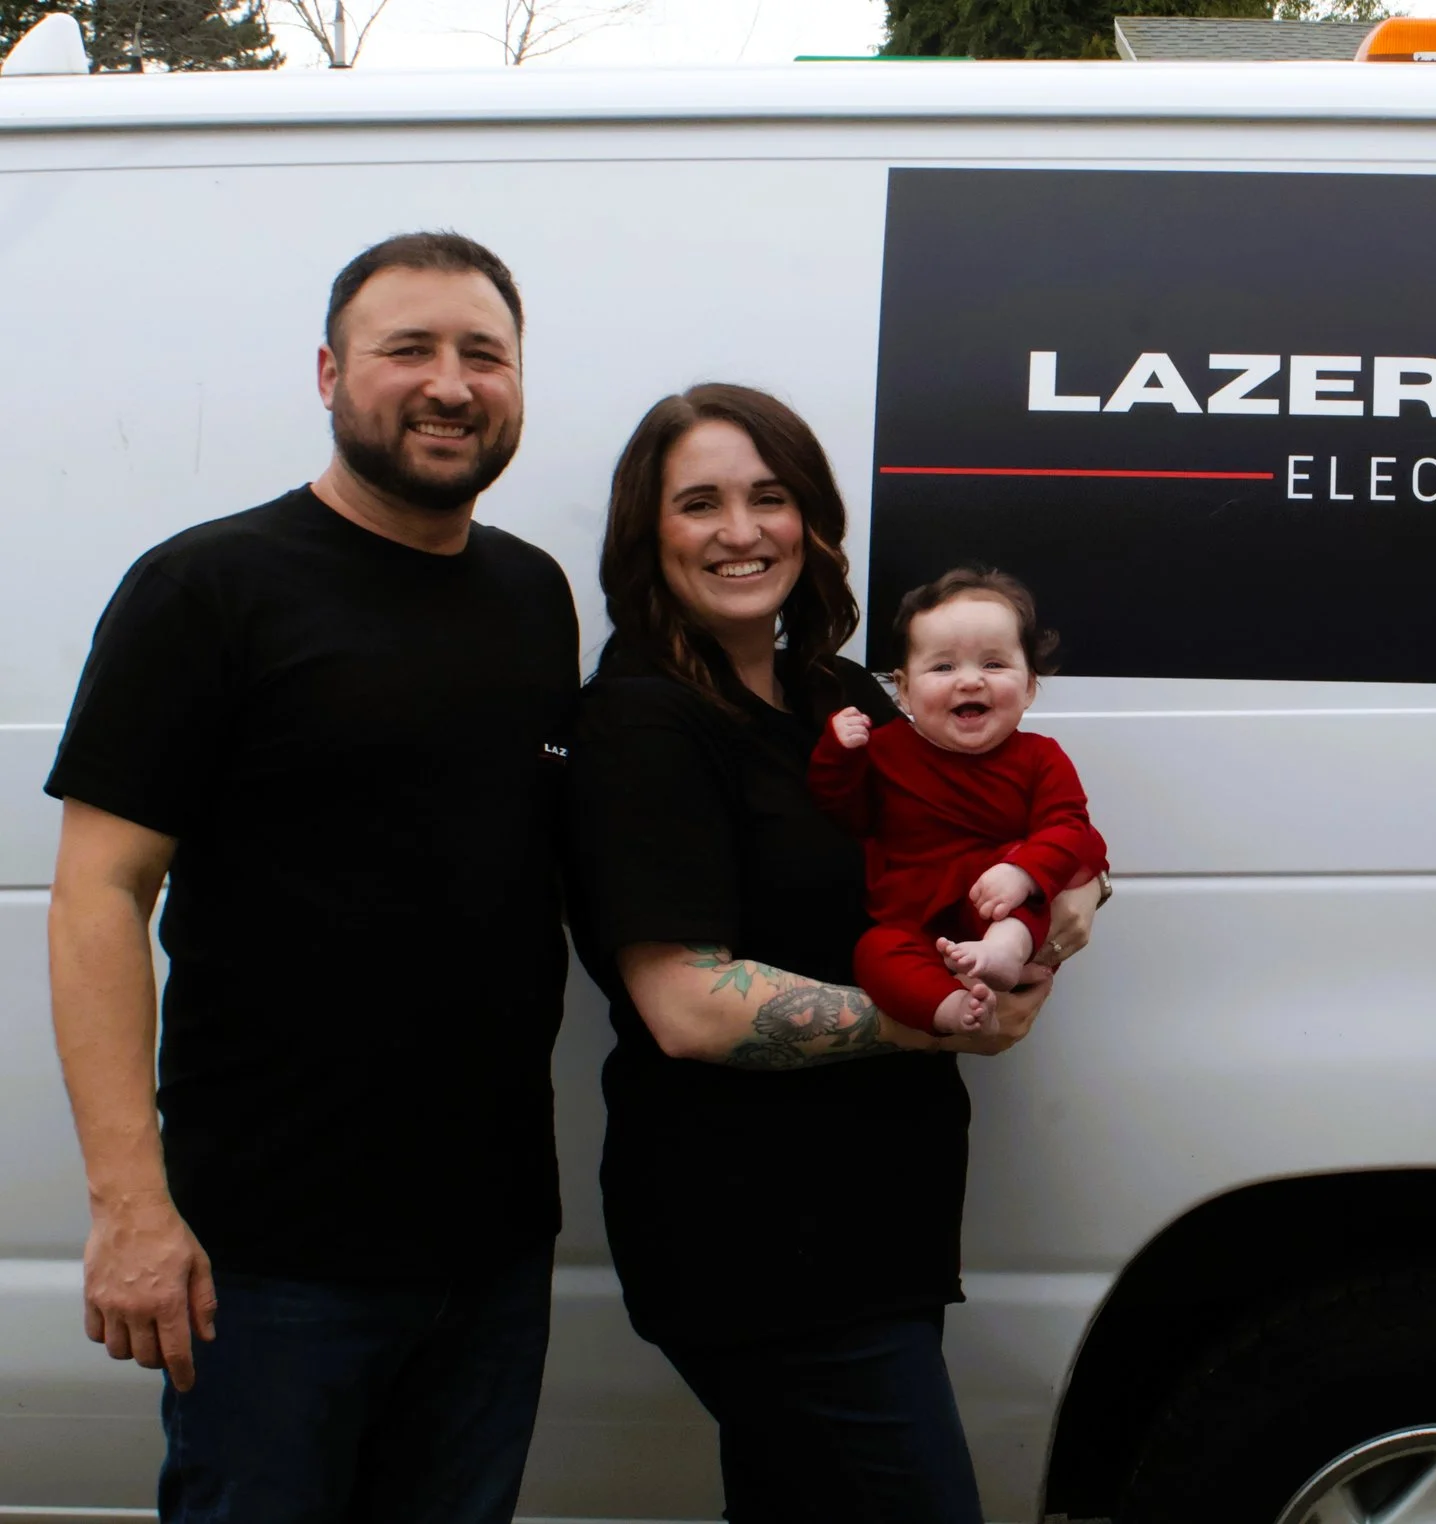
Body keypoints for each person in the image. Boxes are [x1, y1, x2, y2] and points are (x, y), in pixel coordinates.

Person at [44, 231, 577, 1520]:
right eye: (410, 350)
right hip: (270, 1261)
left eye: (482, 354)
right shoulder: (208, 588)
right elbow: (98, 897)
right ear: (331, 374)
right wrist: (130, 1208)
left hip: (493, 1249)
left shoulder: (534, 595)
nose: (450, 383)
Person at [563, 383, 1104, 1521]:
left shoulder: (840, 697)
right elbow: (685, 1004)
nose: (742, 530)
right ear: (644, 533)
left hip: (879, 1216)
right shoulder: (640, 722)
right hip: (757, 1240)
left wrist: (1068, 893)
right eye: (698, 503)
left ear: (810, 521)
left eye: (770, 496)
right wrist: (936, 1018)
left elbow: (999, 821)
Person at [811, 568, 1109, 1035]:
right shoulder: (885, 750)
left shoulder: (1040, 756)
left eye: (993, 664)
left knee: (1033, 884)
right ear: (904, 688)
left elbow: (1070, 827)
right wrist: (838, 757)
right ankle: (949, 1008)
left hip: (995, 902)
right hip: (916, 916)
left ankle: (1004, 952)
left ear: (1029, 685)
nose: (970, 681)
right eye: (944, 667)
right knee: (875, 951)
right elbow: (848, 815)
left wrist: (1023, 872)